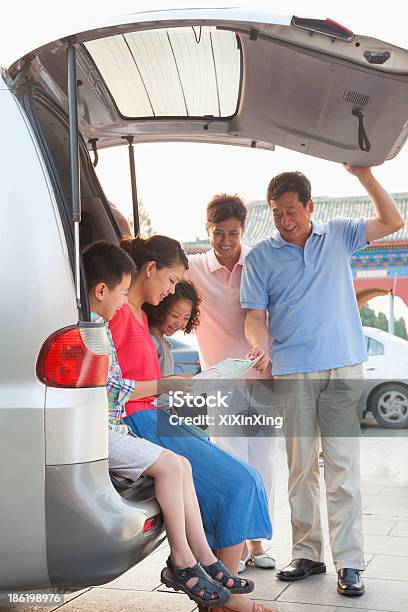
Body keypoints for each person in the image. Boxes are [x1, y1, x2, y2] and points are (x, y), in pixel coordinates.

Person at [240, 164, 405, 597]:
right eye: (277, 212)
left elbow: (393, 221)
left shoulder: (339, 234)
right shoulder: (260, 256)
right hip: (293, 371)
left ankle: (350, 562)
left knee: (342, 466)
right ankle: (308, 553)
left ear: (310, 206)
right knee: (300, 469)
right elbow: (254, 316)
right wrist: (260, 346)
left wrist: (363, 174)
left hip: (343, 368)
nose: (283, 219)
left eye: (291, 210)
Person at [109, 234, 276, 612]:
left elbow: (148, 387)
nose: (170, 290)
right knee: (238, 482)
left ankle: (214, 586)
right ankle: (223, 595)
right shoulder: (119, 314)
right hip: (140, 424)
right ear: (150, 269)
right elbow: (114, 388)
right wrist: (166, 388)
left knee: (240, 480)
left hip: (156, 416)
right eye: (170, 281)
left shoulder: (136, 316)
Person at [82, 240, 231, 609]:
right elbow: (112, 388)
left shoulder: (100, 326)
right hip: (104, 430)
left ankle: (203, 558)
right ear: (101, 290)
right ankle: (183, 560)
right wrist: (165, 387)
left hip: (113, 427)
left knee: (181, 465)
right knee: (170, 466)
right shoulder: (94, 329)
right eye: (120, 293)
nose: (123, 301)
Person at [187, 194, 277, 573]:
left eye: (234, 232)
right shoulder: (192, 269)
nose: (226, 240)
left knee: (263, 463)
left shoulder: (257, 261)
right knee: (232, 464)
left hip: (262, 380)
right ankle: (234, 544)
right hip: (220, 385)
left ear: (244, 229)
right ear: (207, 229)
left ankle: (257, 542)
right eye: (218, 232)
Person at [143, 280, 201, 377]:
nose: (179, 323)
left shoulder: (163, 342)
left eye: (186, 318)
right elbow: (149, 382)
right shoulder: (152, 342)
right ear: (160, 308)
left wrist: (179, 378)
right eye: (175, 315)